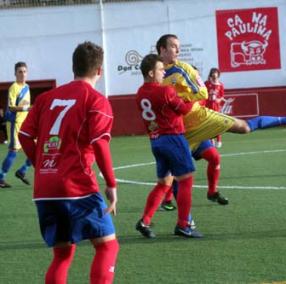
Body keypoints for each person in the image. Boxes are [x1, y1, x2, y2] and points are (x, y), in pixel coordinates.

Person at [18, 42, 119, 283]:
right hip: (77, 186)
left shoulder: (46, 98)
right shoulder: (96, 100)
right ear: (99, 71)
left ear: (73, 68)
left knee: (62, 253)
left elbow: (23, 135)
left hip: (45, 189)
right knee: (107, 247)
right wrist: (111, 185)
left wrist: (42, 165)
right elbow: (99, 143)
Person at [157, 34, 286, 152]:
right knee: (174, 174)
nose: (178, 51)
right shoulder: (156, 73)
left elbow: (202, 93)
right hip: (178, 128)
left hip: (200, 118)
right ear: (162, 49)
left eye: (179, 47)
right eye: (174, 46)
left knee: (244, 127)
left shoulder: (183, 68)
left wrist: (176, 99)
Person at [134, 54, 203, 239]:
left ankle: (145, 221)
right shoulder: (165, 91)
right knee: (186, 180)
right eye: (160, 69)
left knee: (164, 184)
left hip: (156, 141)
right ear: (150, 72)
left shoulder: (140, 93)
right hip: (173, 138)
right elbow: (184, 109)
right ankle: (183, 225)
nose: (164, 72)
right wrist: (195, 97)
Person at [0, 62, 33, 188]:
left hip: (27, 125)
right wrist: (27, 109)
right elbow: (12, 107)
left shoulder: (27, 86)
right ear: (15, 73)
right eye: (20, 71)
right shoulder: (14, 87)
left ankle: (22, 171)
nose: (23, 74)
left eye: (24, 71)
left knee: (36, 150)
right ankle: (1, 177)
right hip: (16, 124)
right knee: (13, 152)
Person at [205, 67, 225, 148]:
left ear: (218, 75)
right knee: (208, 124)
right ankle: (211, 140)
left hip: (216, 107)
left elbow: (222, 96)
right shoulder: (207, 83)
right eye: (213, 74)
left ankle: (219, 140)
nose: (214, 76)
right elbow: (203, 93)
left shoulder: (220, 85)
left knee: (217, 123)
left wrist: (218, 99)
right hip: (207, 106)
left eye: (216, 74)